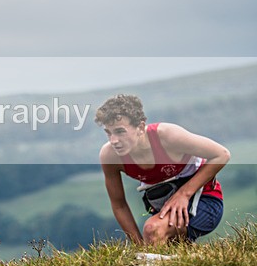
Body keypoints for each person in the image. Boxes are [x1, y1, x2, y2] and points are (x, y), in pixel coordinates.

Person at [95, 94, 229, 244]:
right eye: (108, 133)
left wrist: (184, 194)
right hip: (163, 209)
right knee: (160, 245)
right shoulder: (110, 156)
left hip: (204, 200)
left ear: (140, 127)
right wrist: (140, 247)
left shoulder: (167, 136)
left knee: (153, 230)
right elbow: (119, 205)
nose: (113, 140)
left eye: (120, 131)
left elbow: (222, 154)